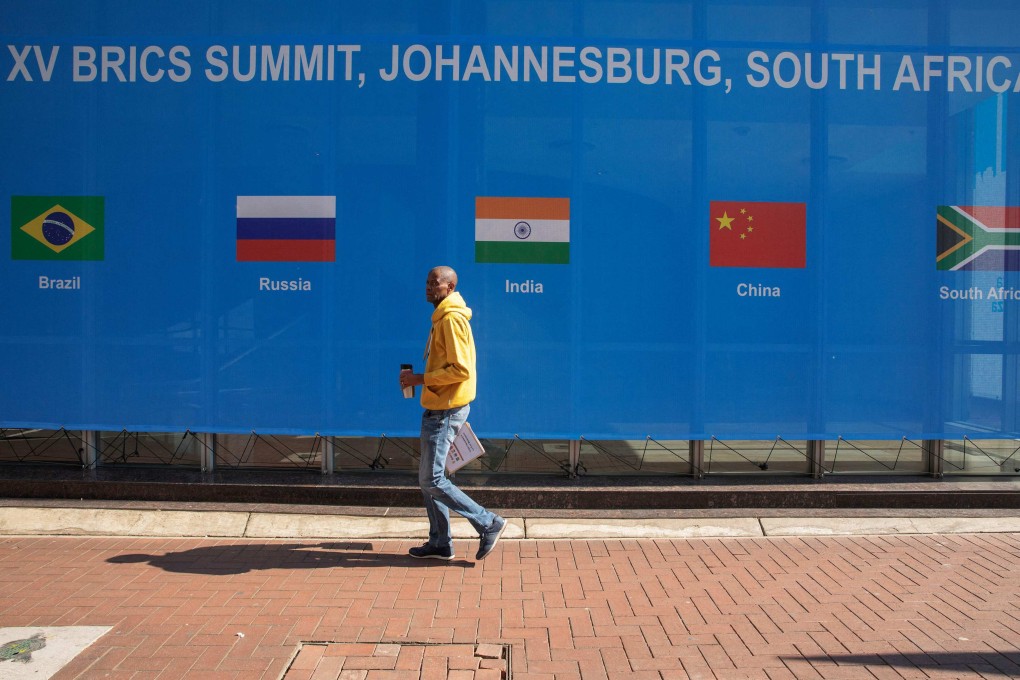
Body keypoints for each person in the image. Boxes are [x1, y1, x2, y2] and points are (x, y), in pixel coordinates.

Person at [399, 266, 506, 561]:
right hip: (438, 407)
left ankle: (488, 522)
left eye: (435, 283)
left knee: (432, 479)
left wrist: (420, 379)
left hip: (445, 410)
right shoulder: (442, 317)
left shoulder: (450, 320)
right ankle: (440, 542)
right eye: (427, 281)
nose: (428, 287)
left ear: (450, 287)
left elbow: (460, 370)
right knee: (428, 478)